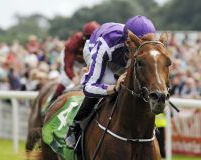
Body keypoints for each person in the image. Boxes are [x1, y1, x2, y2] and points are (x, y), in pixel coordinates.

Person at [65, 15, 157, 148]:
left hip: (122, 55)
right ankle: (75, 126)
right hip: (96, 48)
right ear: (128, 41)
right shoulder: (106, 43)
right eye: (140, 44)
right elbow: (89, 87)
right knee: (109, 81)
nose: (146, 49)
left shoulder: (147, 46)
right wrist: (113, 88)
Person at [50, 21, 100, 102]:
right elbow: (67, 66)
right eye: (89, 37)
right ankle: (52, 102)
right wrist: (73, 77)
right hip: (71, 61)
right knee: (66, 81)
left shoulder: (102, 43)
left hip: (84, 62)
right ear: (83, 36)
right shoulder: (74, 42)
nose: (91, 41)